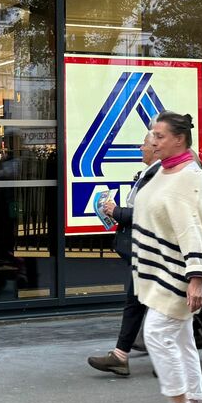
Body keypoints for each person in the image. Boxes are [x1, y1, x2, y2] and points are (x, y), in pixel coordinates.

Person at [129, 111, 202, 403]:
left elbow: (193, 230)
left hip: (178, 274)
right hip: (164, 270)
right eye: (152, 134)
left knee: (156, 335)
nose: (153, 140)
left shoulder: (187, 178)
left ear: (179, 139)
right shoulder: (164, 171)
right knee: (180, 339)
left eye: (160, 136)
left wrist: (196, 279)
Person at [87, 132, 160, 377]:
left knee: (152, 304)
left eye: (145, 144)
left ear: (156, 148)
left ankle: (162, 360)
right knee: (137, 300)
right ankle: (121, 355)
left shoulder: (159, 176)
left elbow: (145, 215)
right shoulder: (148, 174)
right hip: (144, 250)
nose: (140, 147)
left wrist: (116, 211)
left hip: (151, 250)